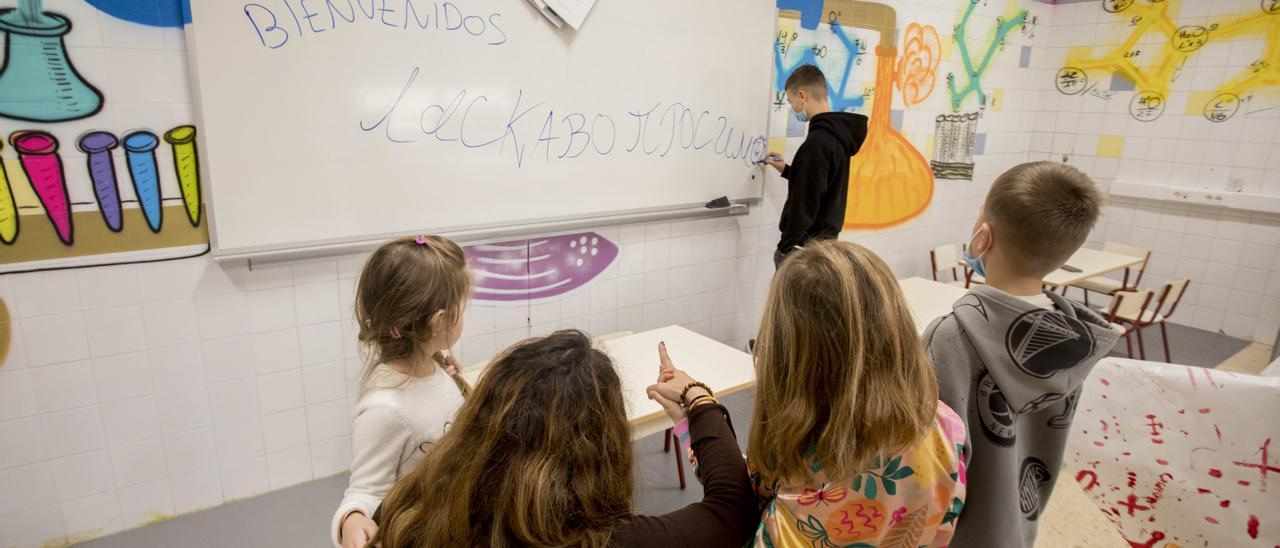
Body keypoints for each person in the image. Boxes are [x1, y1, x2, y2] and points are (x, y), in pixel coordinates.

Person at [371, 330, 758, 548]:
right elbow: (733, 511)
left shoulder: (411, 507)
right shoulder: (610, 542)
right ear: (603, 447)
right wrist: (698, 400)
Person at [924, 161, 1118, 548]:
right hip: (1018, 526)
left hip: (956, 535)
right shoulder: (1073, 337)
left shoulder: (951, 336)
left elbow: (925, 457)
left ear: (983, 238)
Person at [750, 241, 968, 547]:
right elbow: (945, 516)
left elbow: (736, 502)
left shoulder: (790, 439)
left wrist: (694, 422)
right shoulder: (948, 427)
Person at [331, 235, 473, 548]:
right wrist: (351, 520)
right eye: (463, 307)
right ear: (439, 321)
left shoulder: (434, 367)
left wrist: (452, 383)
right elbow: (364, 492)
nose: (465, 314)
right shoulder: (385, 409)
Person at [764, 64, 868, 267]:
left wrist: (787, 247)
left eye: (790, 101)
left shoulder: (817, 143)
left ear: (802, 96)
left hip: (804, 252)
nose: (792, 108)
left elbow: (805, 203)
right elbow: (819, 183)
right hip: (825, 247)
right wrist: (786, 169)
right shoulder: (838, 137)